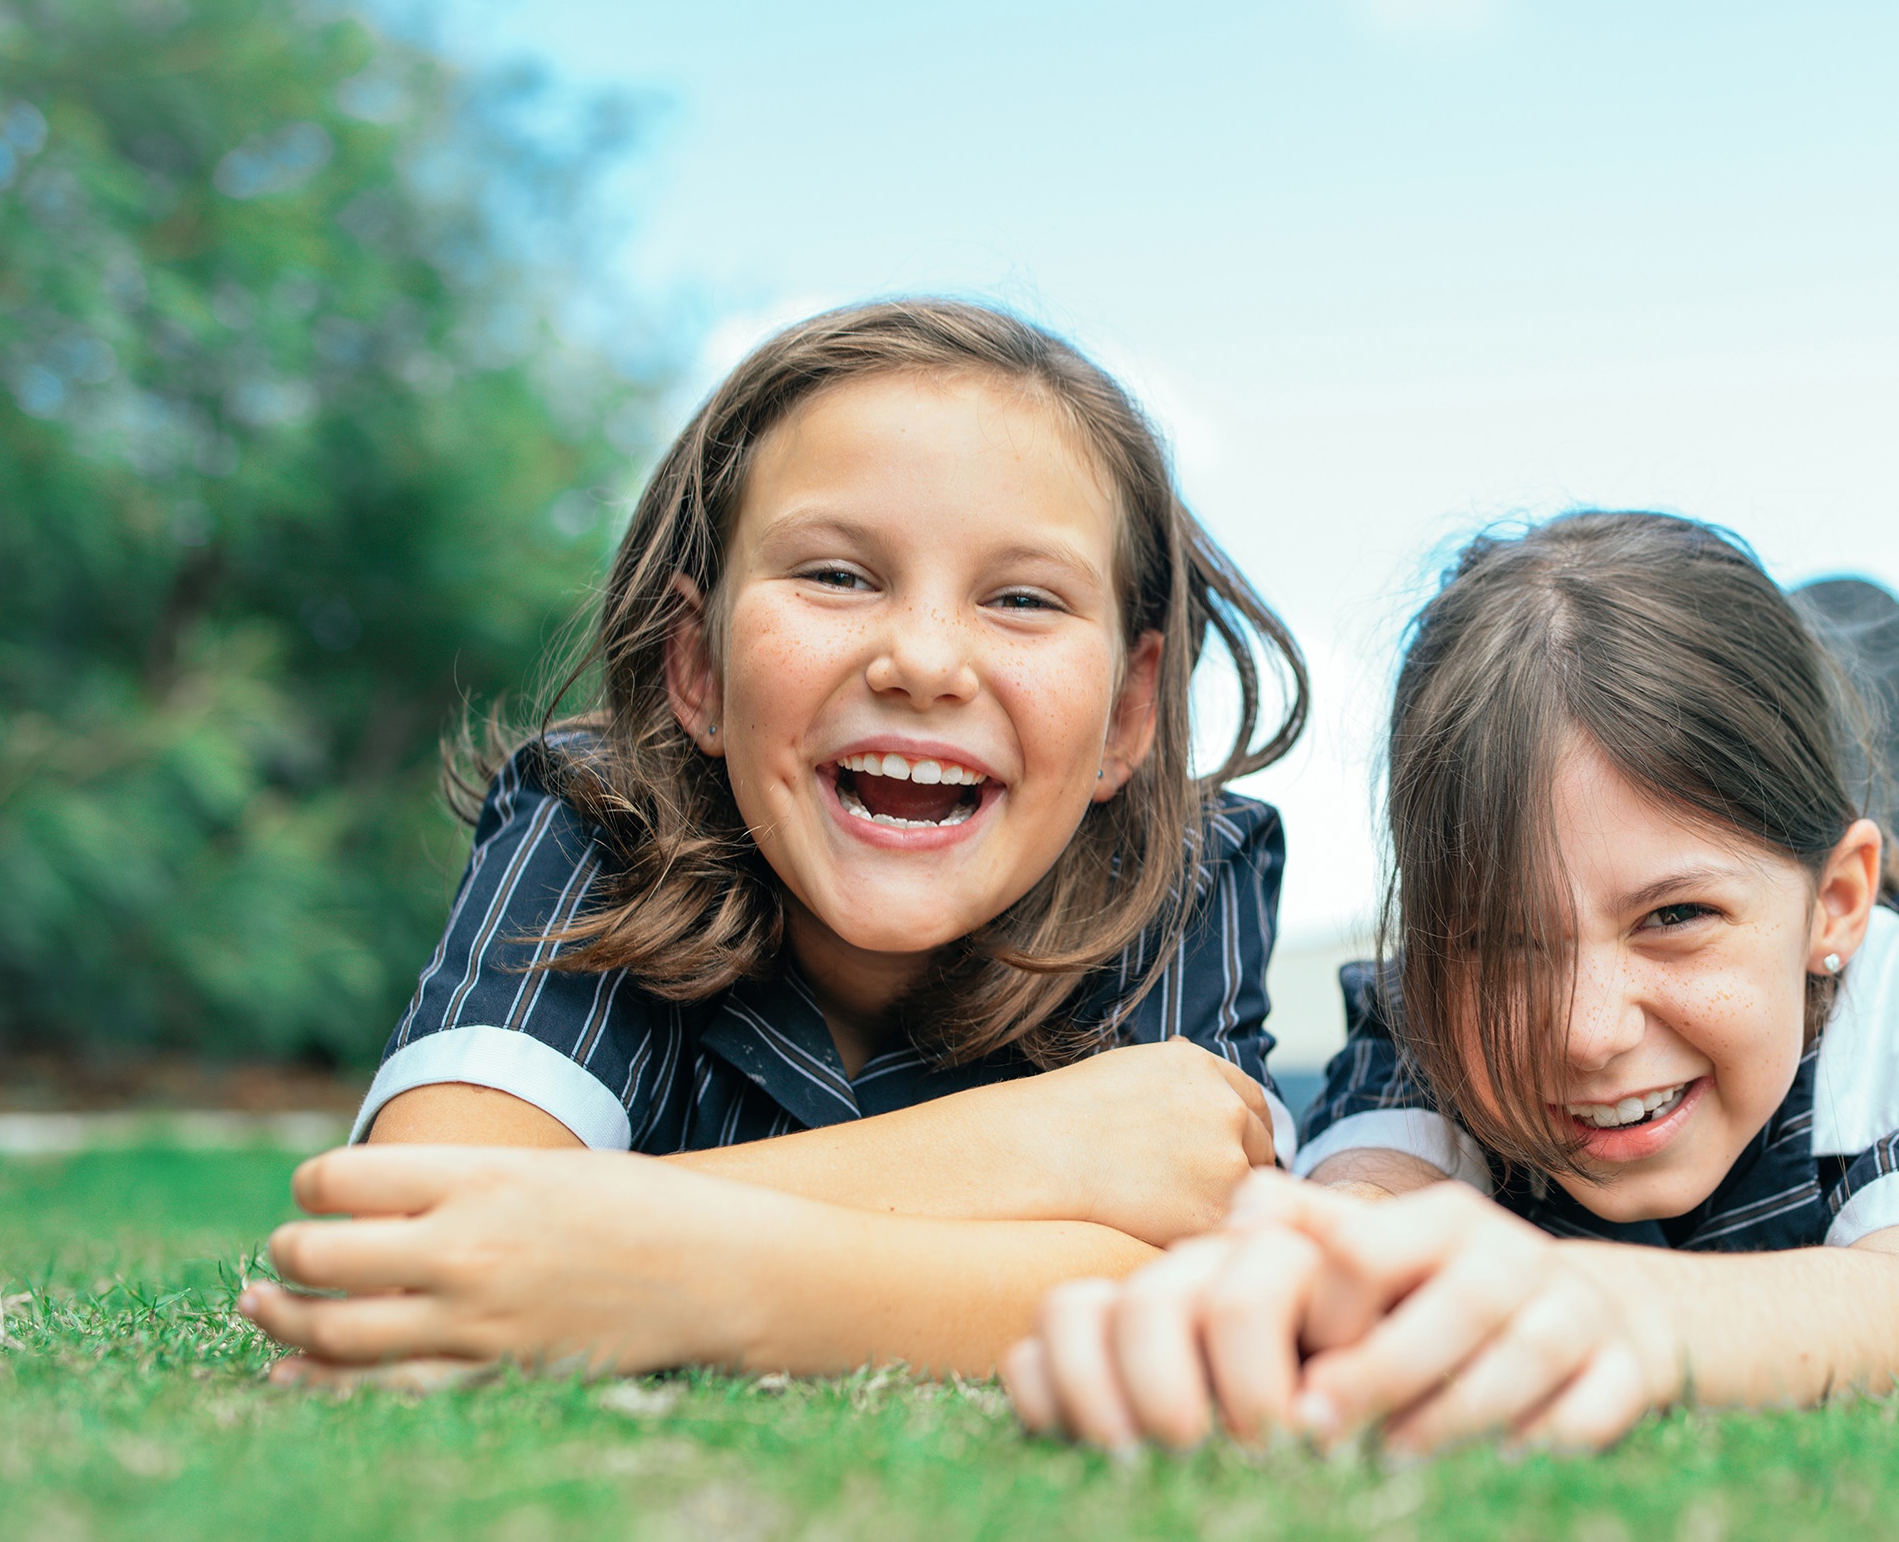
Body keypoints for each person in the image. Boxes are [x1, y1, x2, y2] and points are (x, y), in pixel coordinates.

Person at [238, 299, 1308, 1382]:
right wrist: (1032, 1145)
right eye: (838, 574)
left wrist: (670, 1271)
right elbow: (423, 1237)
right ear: (696, 665)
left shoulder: (1178, 870)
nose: (924, 659)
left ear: (1128, 715)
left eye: (1023, 597)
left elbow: (1203, 1292)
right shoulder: (595, 818)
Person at [1003, 509, 1899, 1455]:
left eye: (1674, 917)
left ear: (1836, 903)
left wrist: (1584, 1300)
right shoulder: (1434, 1018)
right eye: (1503, 940)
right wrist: (1292, 1275)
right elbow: (1369, 1197)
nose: (1580, 1033)